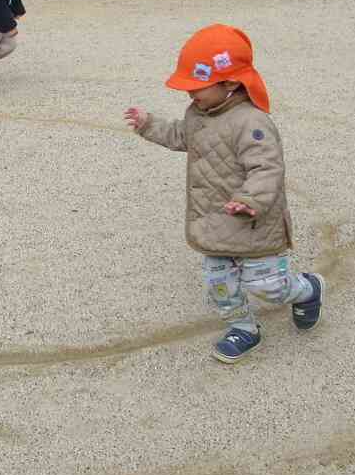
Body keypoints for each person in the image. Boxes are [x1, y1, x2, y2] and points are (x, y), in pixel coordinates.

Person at [123, 24, 324, 363]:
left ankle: (307, 289)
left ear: (230, 83)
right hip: (214, 222)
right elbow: (180, 136)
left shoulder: (252, 123)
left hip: (252, 223)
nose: (190, 95)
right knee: (221, 288)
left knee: (269, 288)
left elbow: (267, 168)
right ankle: (243, 327)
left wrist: (250, 200)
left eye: (197, 87)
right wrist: (148, 124)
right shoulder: (199, 114)